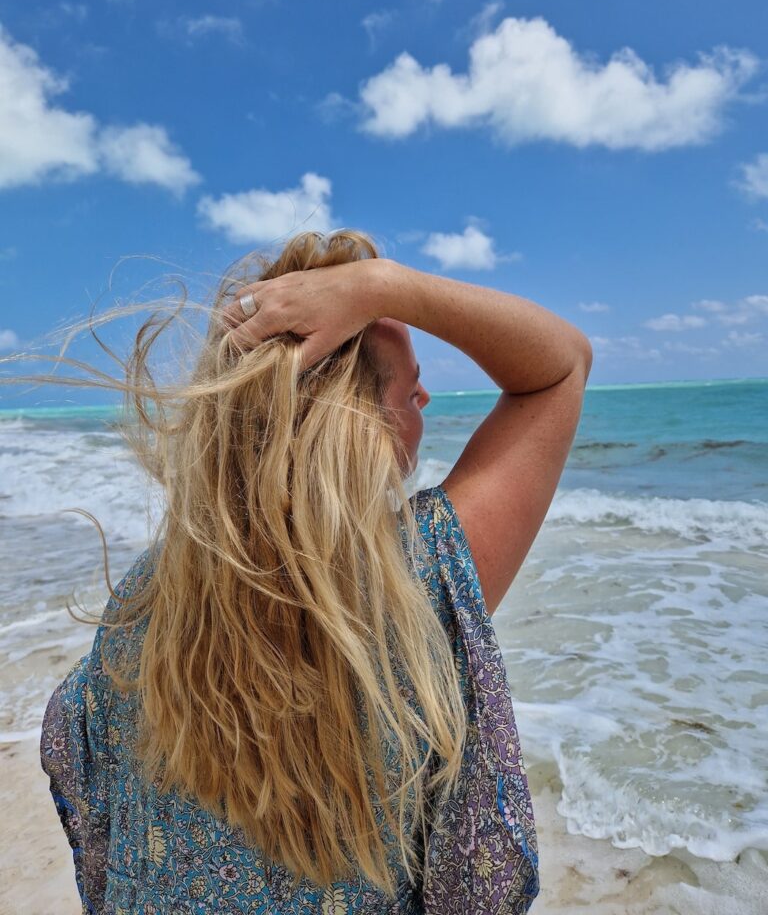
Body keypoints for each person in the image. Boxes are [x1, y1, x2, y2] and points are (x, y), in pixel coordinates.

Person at [32, 229, 592, 913]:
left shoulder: (152, 595)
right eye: (409, 386)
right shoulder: (418, 577)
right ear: (357, 423)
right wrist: (385, 287)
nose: (425, 399)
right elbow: (561, 365)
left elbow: (85, 772)